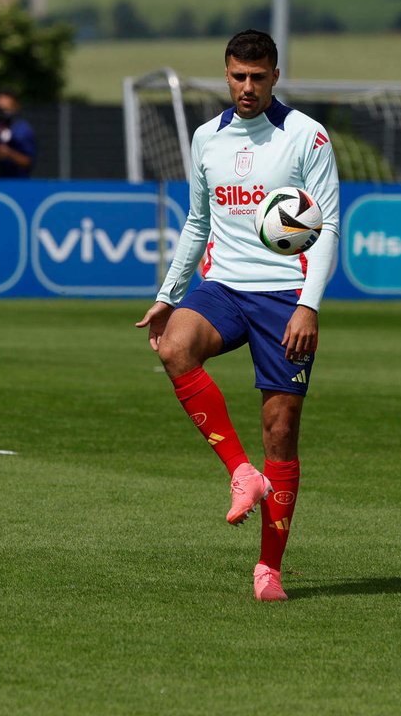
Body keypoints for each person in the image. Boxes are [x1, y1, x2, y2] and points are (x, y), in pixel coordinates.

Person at [135, 29, 340, 601]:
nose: (247, 87)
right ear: (226, 75)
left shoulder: (307, 137)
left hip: (284, 297)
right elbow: (197, 222)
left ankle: (269, 568)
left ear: (275, 75)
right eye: (237, 77)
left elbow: (326, 230)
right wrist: (169, 293)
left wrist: (309, 306)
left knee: (281, 431)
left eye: (257, 77)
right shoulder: (206, 138)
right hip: (223, 285)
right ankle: (239, 472)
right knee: (174, 347)